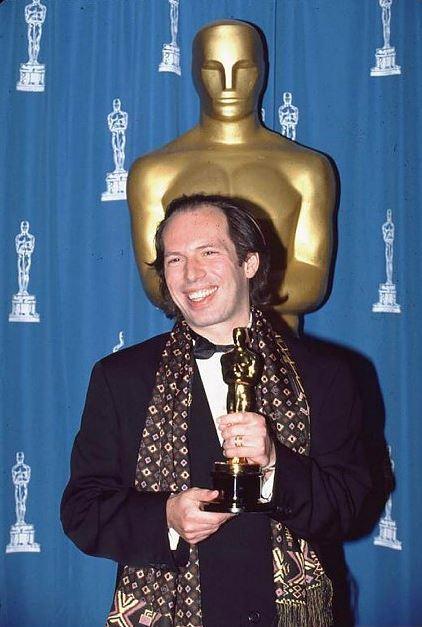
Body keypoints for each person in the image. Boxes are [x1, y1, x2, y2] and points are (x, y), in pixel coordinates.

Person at [61, 195, 370, 626]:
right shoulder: (121, 378)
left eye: (209, 252)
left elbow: (351, 508)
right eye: (175, 259)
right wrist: (166, 517)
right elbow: (82, 510)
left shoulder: (325, 374)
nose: (191, 274)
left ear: (249, 263)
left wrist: (276, 466)